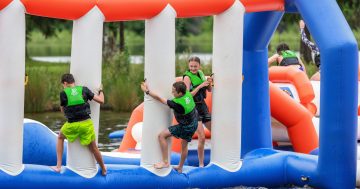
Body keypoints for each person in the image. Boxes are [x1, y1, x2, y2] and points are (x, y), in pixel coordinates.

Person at [51, 73, 107, 176]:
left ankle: (58, 166)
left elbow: (63, 110)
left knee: (60, 137)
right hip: (86, 124)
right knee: (93, 148)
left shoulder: (63, 93)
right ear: (73, 82)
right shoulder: (84, 89)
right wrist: (101, 90)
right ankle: (103, 168)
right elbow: (101, 101)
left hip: (72, 125)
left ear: (65, 83)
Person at [141, 81, 198, 173]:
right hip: (194, 122)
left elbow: (159, 98)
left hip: (186, 126)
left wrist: (147, 91)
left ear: (180, 93)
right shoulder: (187, 92)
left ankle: (165, 162)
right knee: (184, 146)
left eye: (174, 91)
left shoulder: (178, 105)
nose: (172, 93)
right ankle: (180, 167)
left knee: (162, 136)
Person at [183, 56, 213, 167]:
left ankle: (217, 159)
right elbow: (187, 95)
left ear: (199, 66)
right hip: (193, 108)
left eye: (195, 66)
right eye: (191, 66)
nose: (193, 68)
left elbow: (209, 90)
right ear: (188, 66)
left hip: (202, 106)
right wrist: (200, 85)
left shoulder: (200, 73)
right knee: (202, 136)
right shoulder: (187, 78)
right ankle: (201, 164)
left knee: (216, 132)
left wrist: (209, 82)